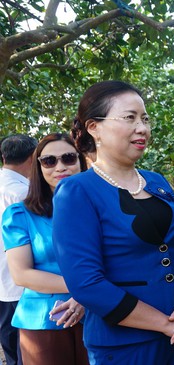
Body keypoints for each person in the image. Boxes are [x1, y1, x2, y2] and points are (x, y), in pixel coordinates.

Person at [51, 80, 174, 365]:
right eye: (129, 118)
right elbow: (86, 284)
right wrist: (165, 324)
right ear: (94, 127)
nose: (142, 128)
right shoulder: (77, 191)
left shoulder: (156, 181)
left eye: (145, 119)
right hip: (124, 346)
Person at [2, 133, 90, 364]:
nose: (60, 167)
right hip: (42, 319)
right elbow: (21, 274)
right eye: (49, 161)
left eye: (69, 158)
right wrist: (85, 290)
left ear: (81, 161)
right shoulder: (20, 214)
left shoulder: (100, 209)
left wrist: (88, 296)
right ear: (38, 166)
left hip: (98, 314)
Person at [0, 134, 37, 365]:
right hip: (22, 285)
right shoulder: (23, 194)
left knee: (11, 347)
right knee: (26, 350)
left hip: (4, 284)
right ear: (34, 157)